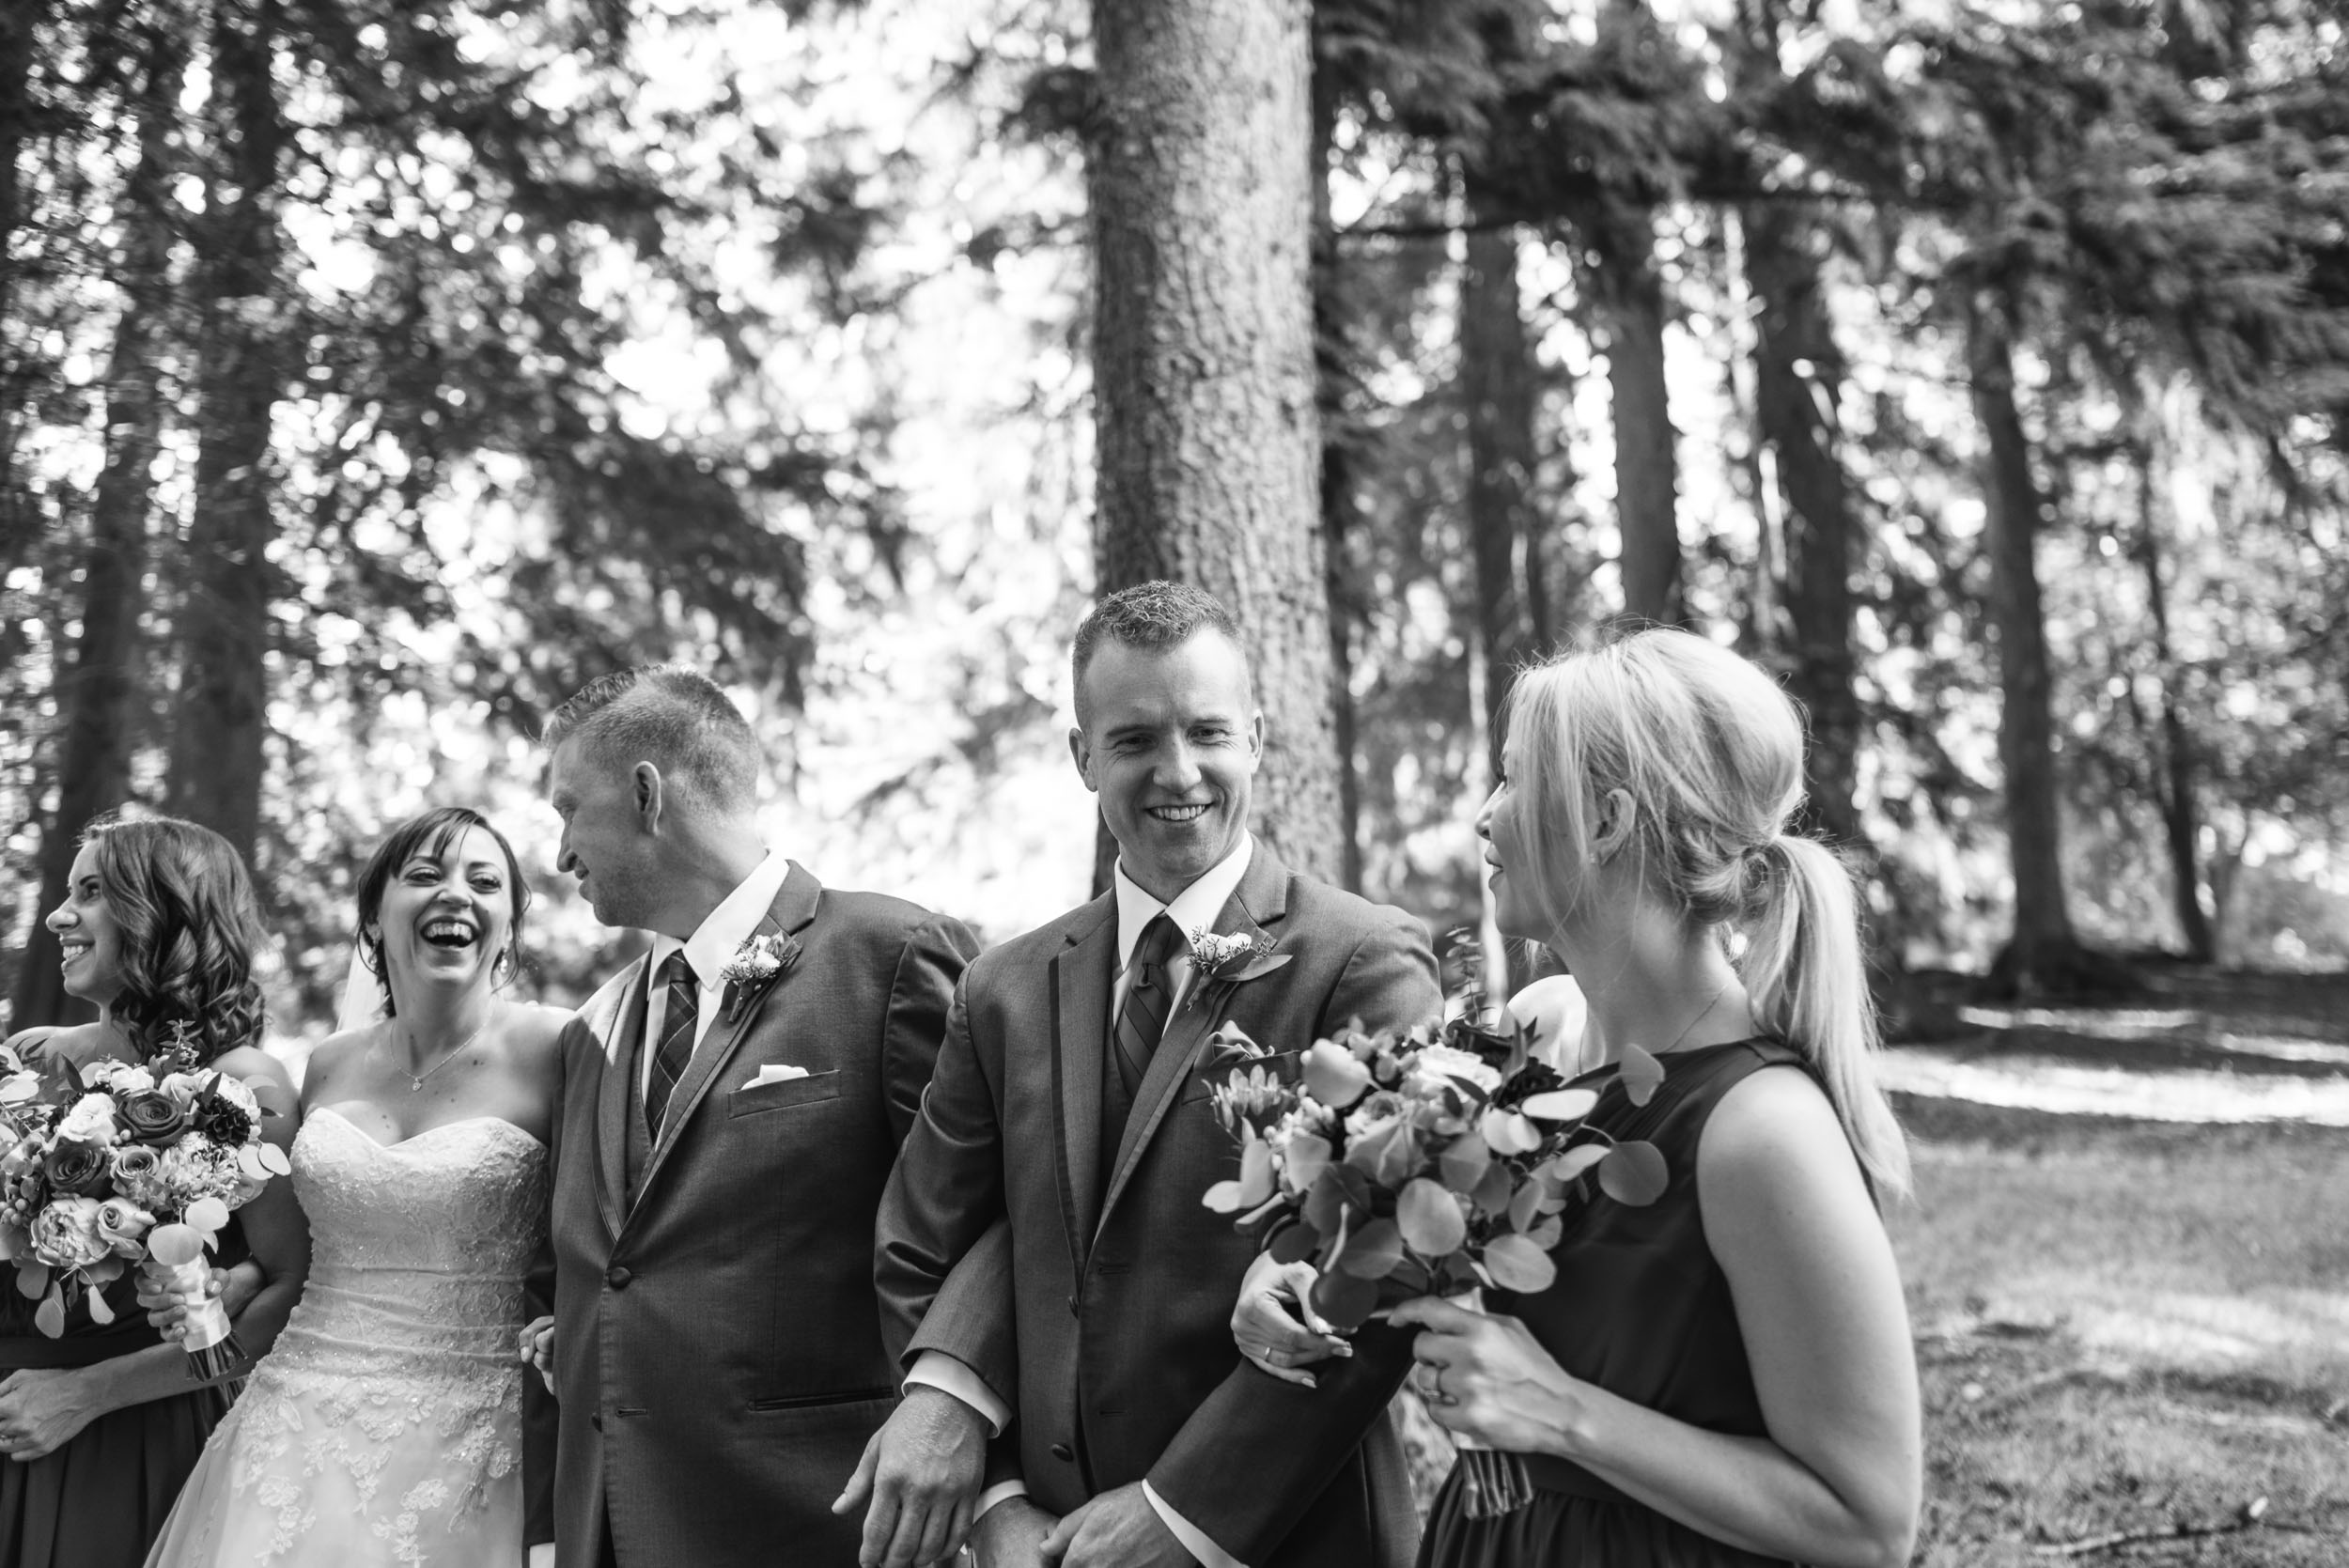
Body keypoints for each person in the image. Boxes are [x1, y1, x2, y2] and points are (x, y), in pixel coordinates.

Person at [1236, 628, 1922, 1568]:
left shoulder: (1761, 1130)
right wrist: (1316, 1275)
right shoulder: (1537, 1028)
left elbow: (1870, 1522)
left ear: (1604, 820)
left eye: (1514, 780)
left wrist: (1560, 1413)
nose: (1485, 815)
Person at [860, 582, 1443, 1568]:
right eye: (1134, 740)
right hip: (1048, 1541)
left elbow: (1389, 1264)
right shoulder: (1001, 987)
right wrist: (996, 1500)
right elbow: (924, 1245)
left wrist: (1180, 1517)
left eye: (1207, 732)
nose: (1179, 772)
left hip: (1285, 1536)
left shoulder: (1362, 960)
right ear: (1082, 754)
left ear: (1256, 736)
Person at [535, 664, 979, 1567]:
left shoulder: (885, 956)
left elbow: (986, 1218)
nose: (560, 853)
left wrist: (955, 1399)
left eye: (568, 810)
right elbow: (615, 1263)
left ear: (648, 794)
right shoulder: (596, 1028)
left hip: (810, 1516)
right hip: (613, 1521)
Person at [140, 805, 568, 1567]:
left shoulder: (557, 1049)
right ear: (374, 915)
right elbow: (299, 1255)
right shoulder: (328, 1061)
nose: (457, 896)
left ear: (508, 923)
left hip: (473, 1437)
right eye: (427, 875)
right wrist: (227, 1279)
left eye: (484, 882)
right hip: (293, 1420)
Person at [0, 815, 303, 1568]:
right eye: (67, 892)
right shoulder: (29, 1062)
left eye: (92, 893)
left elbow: (291, 1299)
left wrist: (88, 1394)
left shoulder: (244, 1088)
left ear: (163, 910)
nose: (56, 916)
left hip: (132, 1441)